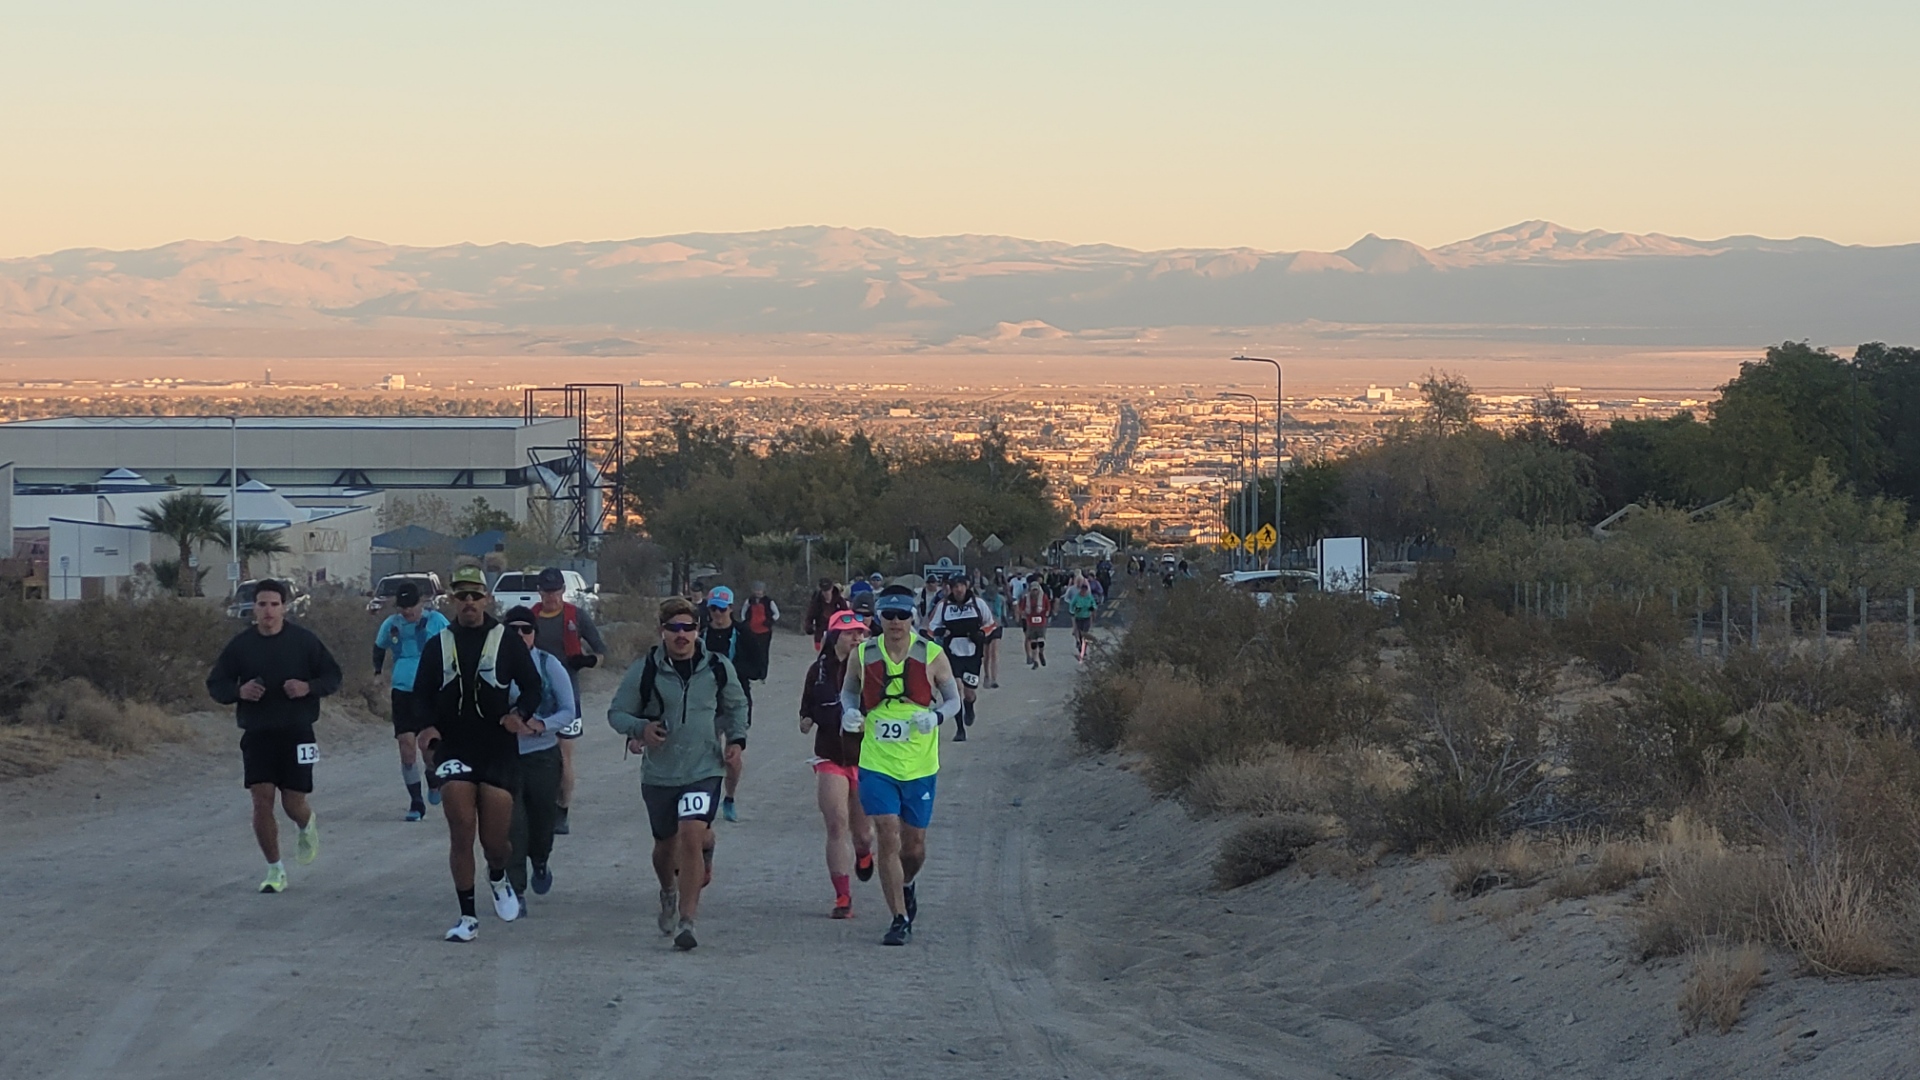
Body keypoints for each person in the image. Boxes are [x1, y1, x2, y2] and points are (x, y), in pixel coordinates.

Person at [608, 597, 750, 951]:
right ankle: (668, 892)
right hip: (660, 773)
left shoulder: (717, 666)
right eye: (674, 628)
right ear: (663, 632)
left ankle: (688, 922)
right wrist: (641, 728)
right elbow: (617, 713)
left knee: (691, 835)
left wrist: (736, 740)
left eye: (688, 627)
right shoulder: (645, 670)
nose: (682, 634)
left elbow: (736, 705)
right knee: (664, 846)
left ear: (698, 631)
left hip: (704, 768)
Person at [412, 566, 545, 942]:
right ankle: (467, 916)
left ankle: (498, 874)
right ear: (452, 600)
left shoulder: (506, 640)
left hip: (498, 748)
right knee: (460, 828)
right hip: (453, 744)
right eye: (461, 596)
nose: (468, 603)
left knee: (495, 842)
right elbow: (419, 694)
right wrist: (427, 727)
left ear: (487, 598)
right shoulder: (438, 643)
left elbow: (533, 686)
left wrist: (519, 715)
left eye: (475, 596)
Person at [838, 586, 962, 945]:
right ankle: (898, 918)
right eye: (888, 615)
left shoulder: (932, 655)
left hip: (920, 763)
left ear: (913, 616)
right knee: (887, 835)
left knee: (914, 847)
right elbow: (848, 690)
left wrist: (936, 717)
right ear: (879, 617)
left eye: (902, 615)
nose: (895, 622)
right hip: (877, 760)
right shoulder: (862, 654)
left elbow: (953, 699)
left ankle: (907, 884)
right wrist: (848, 711)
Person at [207, 579, 342, 894]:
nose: (268, 611)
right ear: (253, 608)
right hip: (257, 732)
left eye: (274, 604)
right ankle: (275, 870)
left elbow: (333, 676)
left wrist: (308, 687)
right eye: (262, 604)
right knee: (261, 800)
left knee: (293, 803)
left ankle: (306, 824)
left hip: (299, 732)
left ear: (284, 608)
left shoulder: (304, 641)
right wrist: (238, 691)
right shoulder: (241, 645)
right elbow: (216, 684)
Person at [798, 609, 876, 918]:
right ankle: (843, 897)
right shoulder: (817, 671)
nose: (857, 638)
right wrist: (805, 719)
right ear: (834, 637)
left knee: (863, 833)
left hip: (865, 757)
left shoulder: (873, 669)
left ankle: (864, 853)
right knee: (835, 824)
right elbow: (807, 705)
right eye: (849, 633)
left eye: (860, 633)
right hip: (830, 754)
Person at [501, 605, 575, 912]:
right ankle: (515, 890)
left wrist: (542, 724)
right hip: (503, 757)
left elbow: (569, 710)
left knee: (542, 822)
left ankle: (541, 860)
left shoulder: (548, 665)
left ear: (535, 634)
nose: (520, 635)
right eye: (513, 630)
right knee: (512, 825)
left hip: (542, 754)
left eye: (526, 630)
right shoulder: (490, 666)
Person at [530, 566, 606, 838]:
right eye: (545, 591)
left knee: (563, 757)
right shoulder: (531, 618)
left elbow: (600, 651)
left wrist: (586, 661)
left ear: (563, 590)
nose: (550, 596)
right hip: (535, 697)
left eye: (555, 591)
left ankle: (562, 810)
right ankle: (539, 807)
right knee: (536, 757)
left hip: (567, 696)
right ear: (539, 592)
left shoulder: (577, 616)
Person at [372, 582, 448, 821]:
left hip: (431, 691)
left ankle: (434, 780)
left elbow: (454, 646)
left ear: (421, 603)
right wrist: (377, 673)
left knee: (429, 747)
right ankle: (416, 803)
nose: (407, 612)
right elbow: (379, 647)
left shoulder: (437, 621)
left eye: (411, 606)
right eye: (402, 607)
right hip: (403, 690)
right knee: (406, 746)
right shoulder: (392, 625)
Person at [702, 585, 752, 821]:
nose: (718, 614)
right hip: (705, 703)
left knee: (732, 757)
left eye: (722, 609)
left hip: (735, 702)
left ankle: (729, 797)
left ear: (731, 608)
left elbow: (759, 668)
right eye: (713, 609)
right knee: (706, 754)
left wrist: (727, 671)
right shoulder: (700, 635)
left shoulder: (743, 634)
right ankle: (706, 797)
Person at [927, 575, 995, 741]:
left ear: (967, 586)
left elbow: (991, 624)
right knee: (956, 689)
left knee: (969, 693)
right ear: (950, 588)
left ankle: (969, 706)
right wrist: (940, 632)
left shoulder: (978, 604)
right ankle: (960, 729)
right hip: (951, 653)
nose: (958, 589)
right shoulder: (943, 606)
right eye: (955, 586)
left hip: (972, 654)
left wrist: (981, 634)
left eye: (961, 586)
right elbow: (931, 627)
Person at [736, 581, 779, 682]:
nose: (758, 592)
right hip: (751, 630)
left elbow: (776, 614)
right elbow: (743, 611)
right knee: (752, 651)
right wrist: (745, 622)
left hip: (764, 631)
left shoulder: (769, 601)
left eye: (760, 590)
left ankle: (762, 674)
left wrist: (769, 622)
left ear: (763, 591)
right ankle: (753, 672)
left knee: (763, 652)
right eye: (756, 590)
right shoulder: (749, 600)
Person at [802, 578, 847, 651]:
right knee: (821, 654)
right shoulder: (816, 601)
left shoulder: (840, 601)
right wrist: (809, 627)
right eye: (824, 591)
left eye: (828, 590)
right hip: (820, 633)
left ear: (832, 588)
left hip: (836, 633)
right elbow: (810, 615)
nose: (826, 593)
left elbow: (846, 615)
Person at [1019, 572, 1052, 668]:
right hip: (1030, 622)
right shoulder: (1026, 598)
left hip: (1041, 621)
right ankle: (1035, 660)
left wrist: (1046, 613)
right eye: (1033, 590)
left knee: (1041, 641)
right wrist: (1023, 613)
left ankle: (1041, 653)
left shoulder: (1044, 597)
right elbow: (1022, 608)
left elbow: (1047, 606)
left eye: (1036, 590)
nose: (1035, 592)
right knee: (1032, 641)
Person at [981, 580, 1006, 689]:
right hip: (985, 627)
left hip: (996, 626)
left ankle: (994, 678)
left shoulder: (1000, 599)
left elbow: (1003, 613)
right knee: (986, 654)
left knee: (994, 652)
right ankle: (987, 676)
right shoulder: (981, 600)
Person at [1068, 581, 1100, 662]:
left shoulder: (1089, 597)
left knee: (1085, 634)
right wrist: (1073, 611)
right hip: (1078, 617)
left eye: (1085, 590)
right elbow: (1071, 605)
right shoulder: (1077, 597)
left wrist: (1092, 608)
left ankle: (1083, 651)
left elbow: (1094, 605)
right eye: (1082, 590)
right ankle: (1078, 642)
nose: (1083, 592)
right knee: (1078, 631)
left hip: (1087, 617)